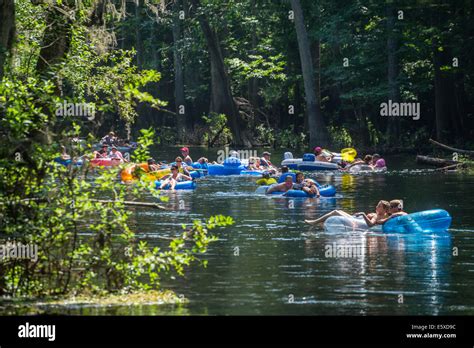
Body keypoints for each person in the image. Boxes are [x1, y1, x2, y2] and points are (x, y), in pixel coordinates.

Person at [305, 200, 390, 225]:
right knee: (339, 211)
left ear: (385, 210)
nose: (376, 207)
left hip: (355, 223)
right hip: (356, 220)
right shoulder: (384, 216)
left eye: (379, 206)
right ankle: (320, 222)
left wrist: (363, 214)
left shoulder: (376, 216)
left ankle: (315, 222)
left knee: (335, 212)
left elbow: (371, 224)